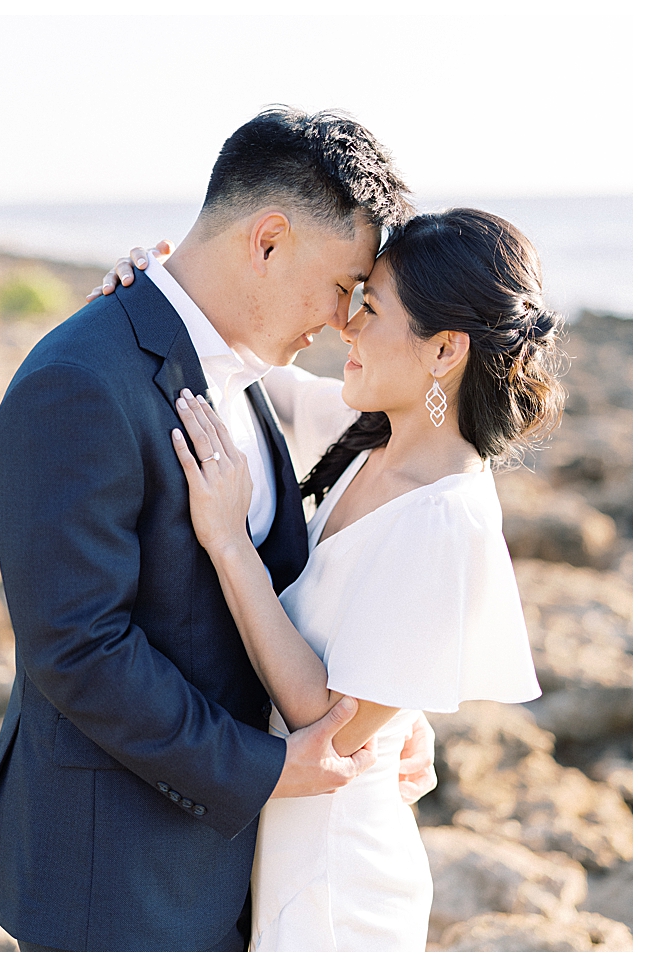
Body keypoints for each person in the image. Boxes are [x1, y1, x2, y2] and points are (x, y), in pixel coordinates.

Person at [0, 107, 436, 952]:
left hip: (231, 866)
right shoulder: (76, 382)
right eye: (341, 285)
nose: (339, 319)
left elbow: (287, 579)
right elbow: (77, 648)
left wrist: (383, 709)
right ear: (269, 239)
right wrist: (271, 767)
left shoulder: (243, 368)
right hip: (121, 876)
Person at [163, 208, 551, 949]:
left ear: (444, 350)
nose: (346, 324)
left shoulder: (446, 519)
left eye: (370, 307)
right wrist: (157, 290)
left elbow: (328, 724)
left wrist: (228, 541)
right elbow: (252, 373)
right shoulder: (369, 438)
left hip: (337, 884)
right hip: (281, 847)